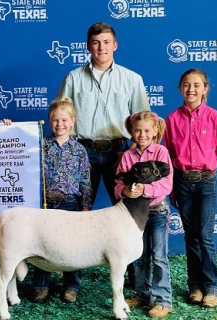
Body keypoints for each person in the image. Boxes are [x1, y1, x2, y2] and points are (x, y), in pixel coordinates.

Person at [2, 97, 92, 304]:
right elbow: (14, 150)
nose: (60, 125)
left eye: (64, 120)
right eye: (55, 120)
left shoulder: (79, 150)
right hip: (44, 203)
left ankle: (71, 286)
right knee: (41, 245)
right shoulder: (39, 145)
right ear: (49, 122)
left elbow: (85, 180)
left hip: (70, 203)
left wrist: (86, 206)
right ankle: (40, 285)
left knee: (74, 246)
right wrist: (7, 130)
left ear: (73, 121)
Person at [57, 21, 150, 206]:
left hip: (119, 153)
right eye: (96, 42)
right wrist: (74, 154)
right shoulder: (73, 78)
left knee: (126, 211)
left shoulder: (132, 79)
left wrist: (131, 152)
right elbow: (61, 118)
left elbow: (145, 121)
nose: (102, 47)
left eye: (106, 42)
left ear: (115, 45)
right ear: (88, 46)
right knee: (78, 213)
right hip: (82, 152)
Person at [164, 69, 217, 308]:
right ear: (180, 88)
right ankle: (195, 286)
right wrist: (173, 188)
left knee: (206, 236)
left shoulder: (215, 118)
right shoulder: (171, 119)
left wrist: (203, 167)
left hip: (206, 180)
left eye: (196, 85)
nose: (191, 89)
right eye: (186, 85)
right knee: (191, 237)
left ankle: (212, 286)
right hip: (182, 181)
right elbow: (168, 155)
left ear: (205, 89)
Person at [114, 111, 173, 318]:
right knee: (137, 255)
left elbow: (167, 183)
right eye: (137, 130)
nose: (142, 134)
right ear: (131, 131)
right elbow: (119, 183)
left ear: (155, 131)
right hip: (133, 216)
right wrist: (125, 191)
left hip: (156, 211)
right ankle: (142, 295)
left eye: (147, 130)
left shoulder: (161, 152)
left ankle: (163, 299)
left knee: (158, 255)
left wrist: (144, 191)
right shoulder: (128, 156)